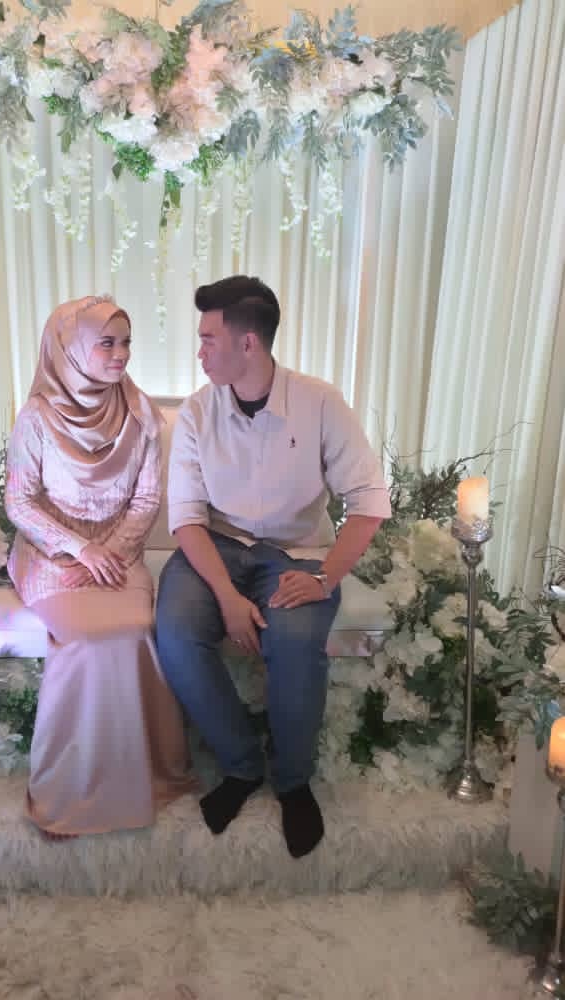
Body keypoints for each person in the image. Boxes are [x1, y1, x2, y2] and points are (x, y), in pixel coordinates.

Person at [155, 276, 391, 858]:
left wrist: (323, 577)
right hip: (215, 546)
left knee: (294, 639)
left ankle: (293, 781)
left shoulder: (320, 403)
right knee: (177, 633)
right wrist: (228, 598)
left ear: (249, 343)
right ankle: (240, 765)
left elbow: (368, 501)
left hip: (297, 553)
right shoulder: (197, 411)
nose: (200, 351)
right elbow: (186, 518)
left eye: (209, 339)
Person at [5, 296, 196, 838]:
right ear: (70, 349)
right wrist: (79, 550)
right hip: (50, 556)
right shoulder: (37, 417)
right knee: (87, 637)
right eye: (106, 343)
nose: (121, 354)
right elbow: (20, 503)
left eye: (126, 342)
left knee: (135, 629)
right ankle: (67, 791)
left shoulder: (140, 413)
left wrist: (106, 552)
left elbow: (147, 499)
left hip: (120, 553)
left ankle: (147, 778)